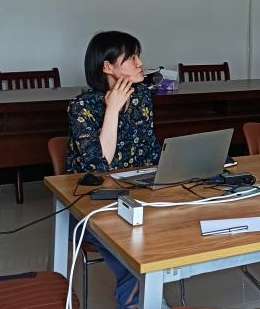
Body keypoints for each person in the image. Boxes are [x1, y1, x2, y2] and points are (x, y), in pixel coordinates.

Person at [67, 31, 161, 309]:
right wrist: (112, 111)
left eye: (138, 56)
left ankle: (139, 297)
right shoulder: (81, 107)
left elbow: (151, 151)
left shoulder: (142, 97)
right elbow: (100, 166)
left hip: (137, 194)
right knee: (127, 237)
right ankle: (138, 299)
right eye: (131, 58)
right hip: (90, 206)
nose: (140, 63)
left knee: (171, 224)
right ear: (107, 67)